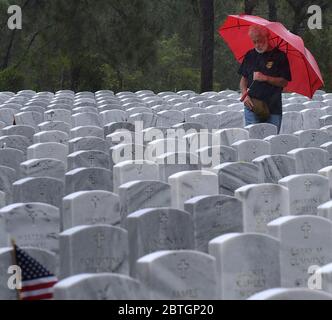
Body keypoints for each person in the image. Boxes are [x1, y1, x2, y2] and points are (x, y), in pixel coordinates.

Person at [238, 25, 292, 133]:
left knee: (272, 143)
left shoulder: (280, 56)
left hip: (273, 107)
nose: (257, 45)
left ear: (267, 37)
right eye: (254, 42)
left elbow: (284, 82)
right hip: (252, 105)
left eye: (260, 41)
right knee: (253, 142)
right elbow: (243, 79)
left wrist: (265, 78)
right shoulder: (250, 55)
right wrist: (245, 95)